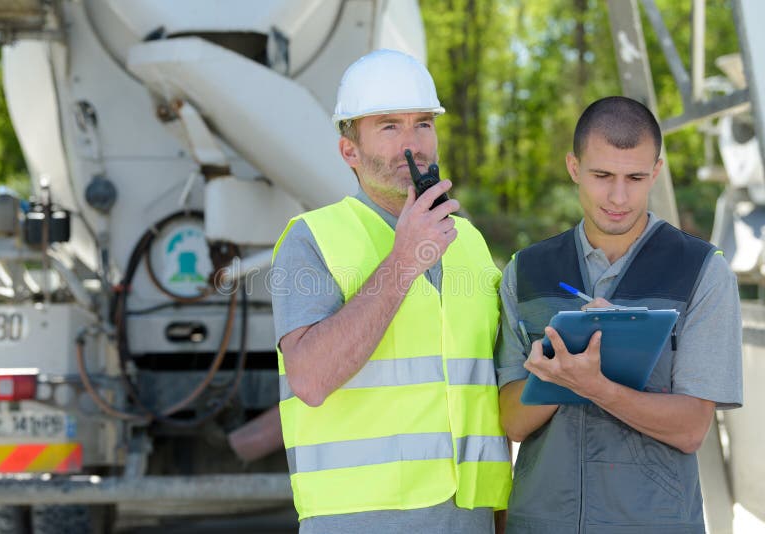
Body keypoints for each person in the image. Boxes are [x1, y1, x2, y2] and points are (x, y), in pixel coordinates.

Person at [271, 49, 512, 533]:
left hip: (469, 520)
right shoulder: (311, 239)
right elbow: (311, 379)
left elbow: (485, 397)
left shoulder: (469, 244)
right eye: (388, 127)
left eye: (423, 123)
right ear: (350, 152)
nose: (413, 144)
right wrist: (404, 260)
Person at [496, 95, 743, 533]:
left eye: (635, 177)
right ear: (574, 168)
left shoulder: (702, 271)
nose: (618, 196)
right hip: (542, 523)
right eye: (601, 175)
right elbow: (512, 423)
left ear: (657, 172)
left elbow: (691, 430)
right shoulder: (526, 271)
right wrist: (557, 374)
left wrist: (597, 386)